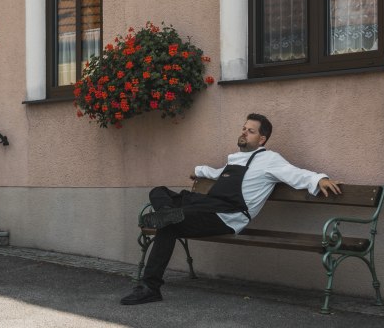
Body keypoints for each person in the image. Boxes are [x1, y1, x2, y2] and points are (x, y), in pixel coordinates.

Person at [120, 112, 342, 305]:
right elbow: (218, 173)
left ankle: (150, 287)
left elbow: (295, 173)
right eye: (244, 128)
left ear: (262, 139)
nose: (244, 132)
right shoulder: (235, 159)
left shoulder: (270, 160)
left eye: (251, 131)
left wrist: (320, 179)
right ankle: (166, 212)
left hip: (226, 216)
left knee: (170, 225)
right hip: (208, 206)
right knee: (159, 191)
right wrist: (200, 171)